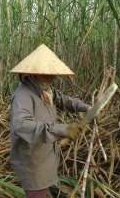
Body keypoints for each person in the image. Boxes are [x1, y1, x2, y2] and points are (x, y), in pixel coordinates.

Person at [9, 44, 92, 198]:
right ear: (32, 74)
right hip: (32, 160)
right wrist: (63, 130)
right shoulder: (23, 96)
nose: (51, 78)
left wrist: (86, 108)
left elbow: (64, 100)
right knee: (37, 192)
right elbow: (21, 125)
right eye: (46, 74)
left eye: (53, 74)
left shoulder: (47, 90)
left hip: (45, 156)